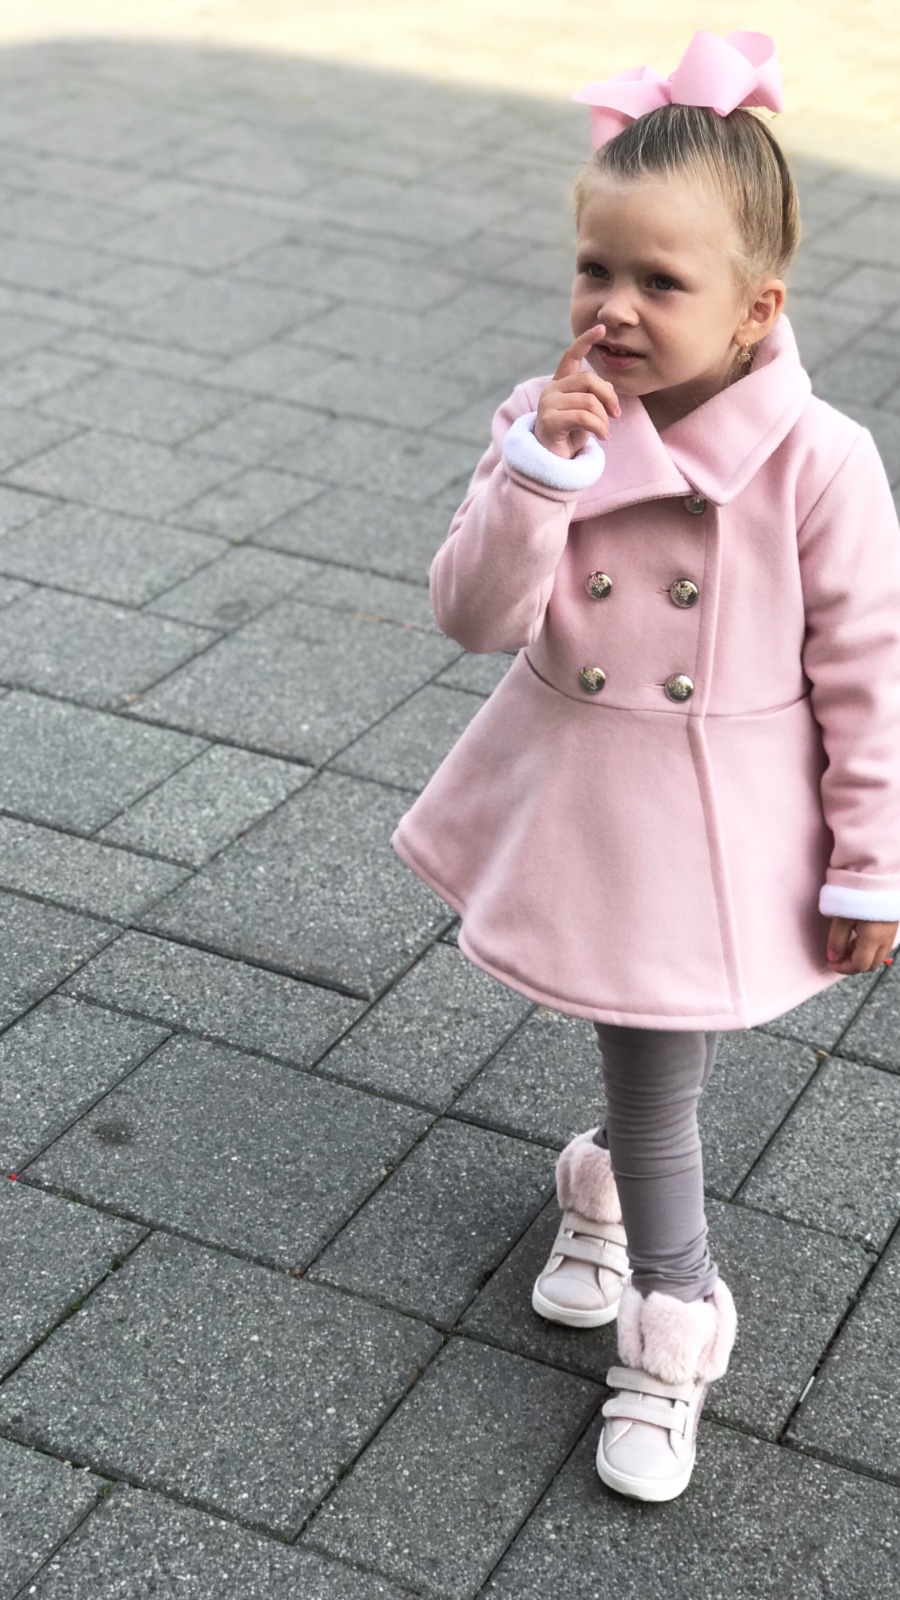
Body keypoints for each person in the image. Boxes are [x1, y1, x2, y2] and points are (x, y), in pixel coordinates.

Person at [391, 30, 900, 1503]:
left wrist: (872, 863)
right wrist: (538, 479)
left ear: (757, 309)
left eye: (661, 283)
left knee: (656, 1057)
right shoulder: (549, 424)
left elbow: (870, 675)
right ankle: (609, 1197)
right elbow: (472, 616)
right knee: (650, 1045)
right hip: (579, 792)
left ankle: (673, 1321)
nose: (613, 308)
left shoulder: (820, 461)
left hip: (719, 821)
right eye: (593, 270)